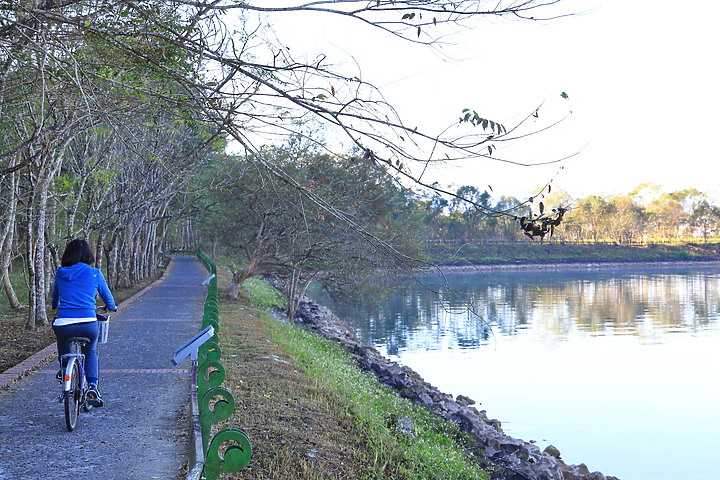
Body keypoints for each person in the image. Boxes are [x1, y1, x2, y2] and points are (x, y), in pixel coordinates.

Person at [52, 239, 117, 408]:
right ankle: (93, 387)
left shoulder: (61, 273)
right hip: (88, 323)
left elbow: (55, 298)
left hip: (64, 323)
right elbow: (107, 298)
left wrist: (56, 306)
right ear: (89, 255)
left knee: (62, 339)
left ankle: (64, 368)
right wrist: (112, 307)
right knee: (91, 350)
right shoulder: (95, 273)